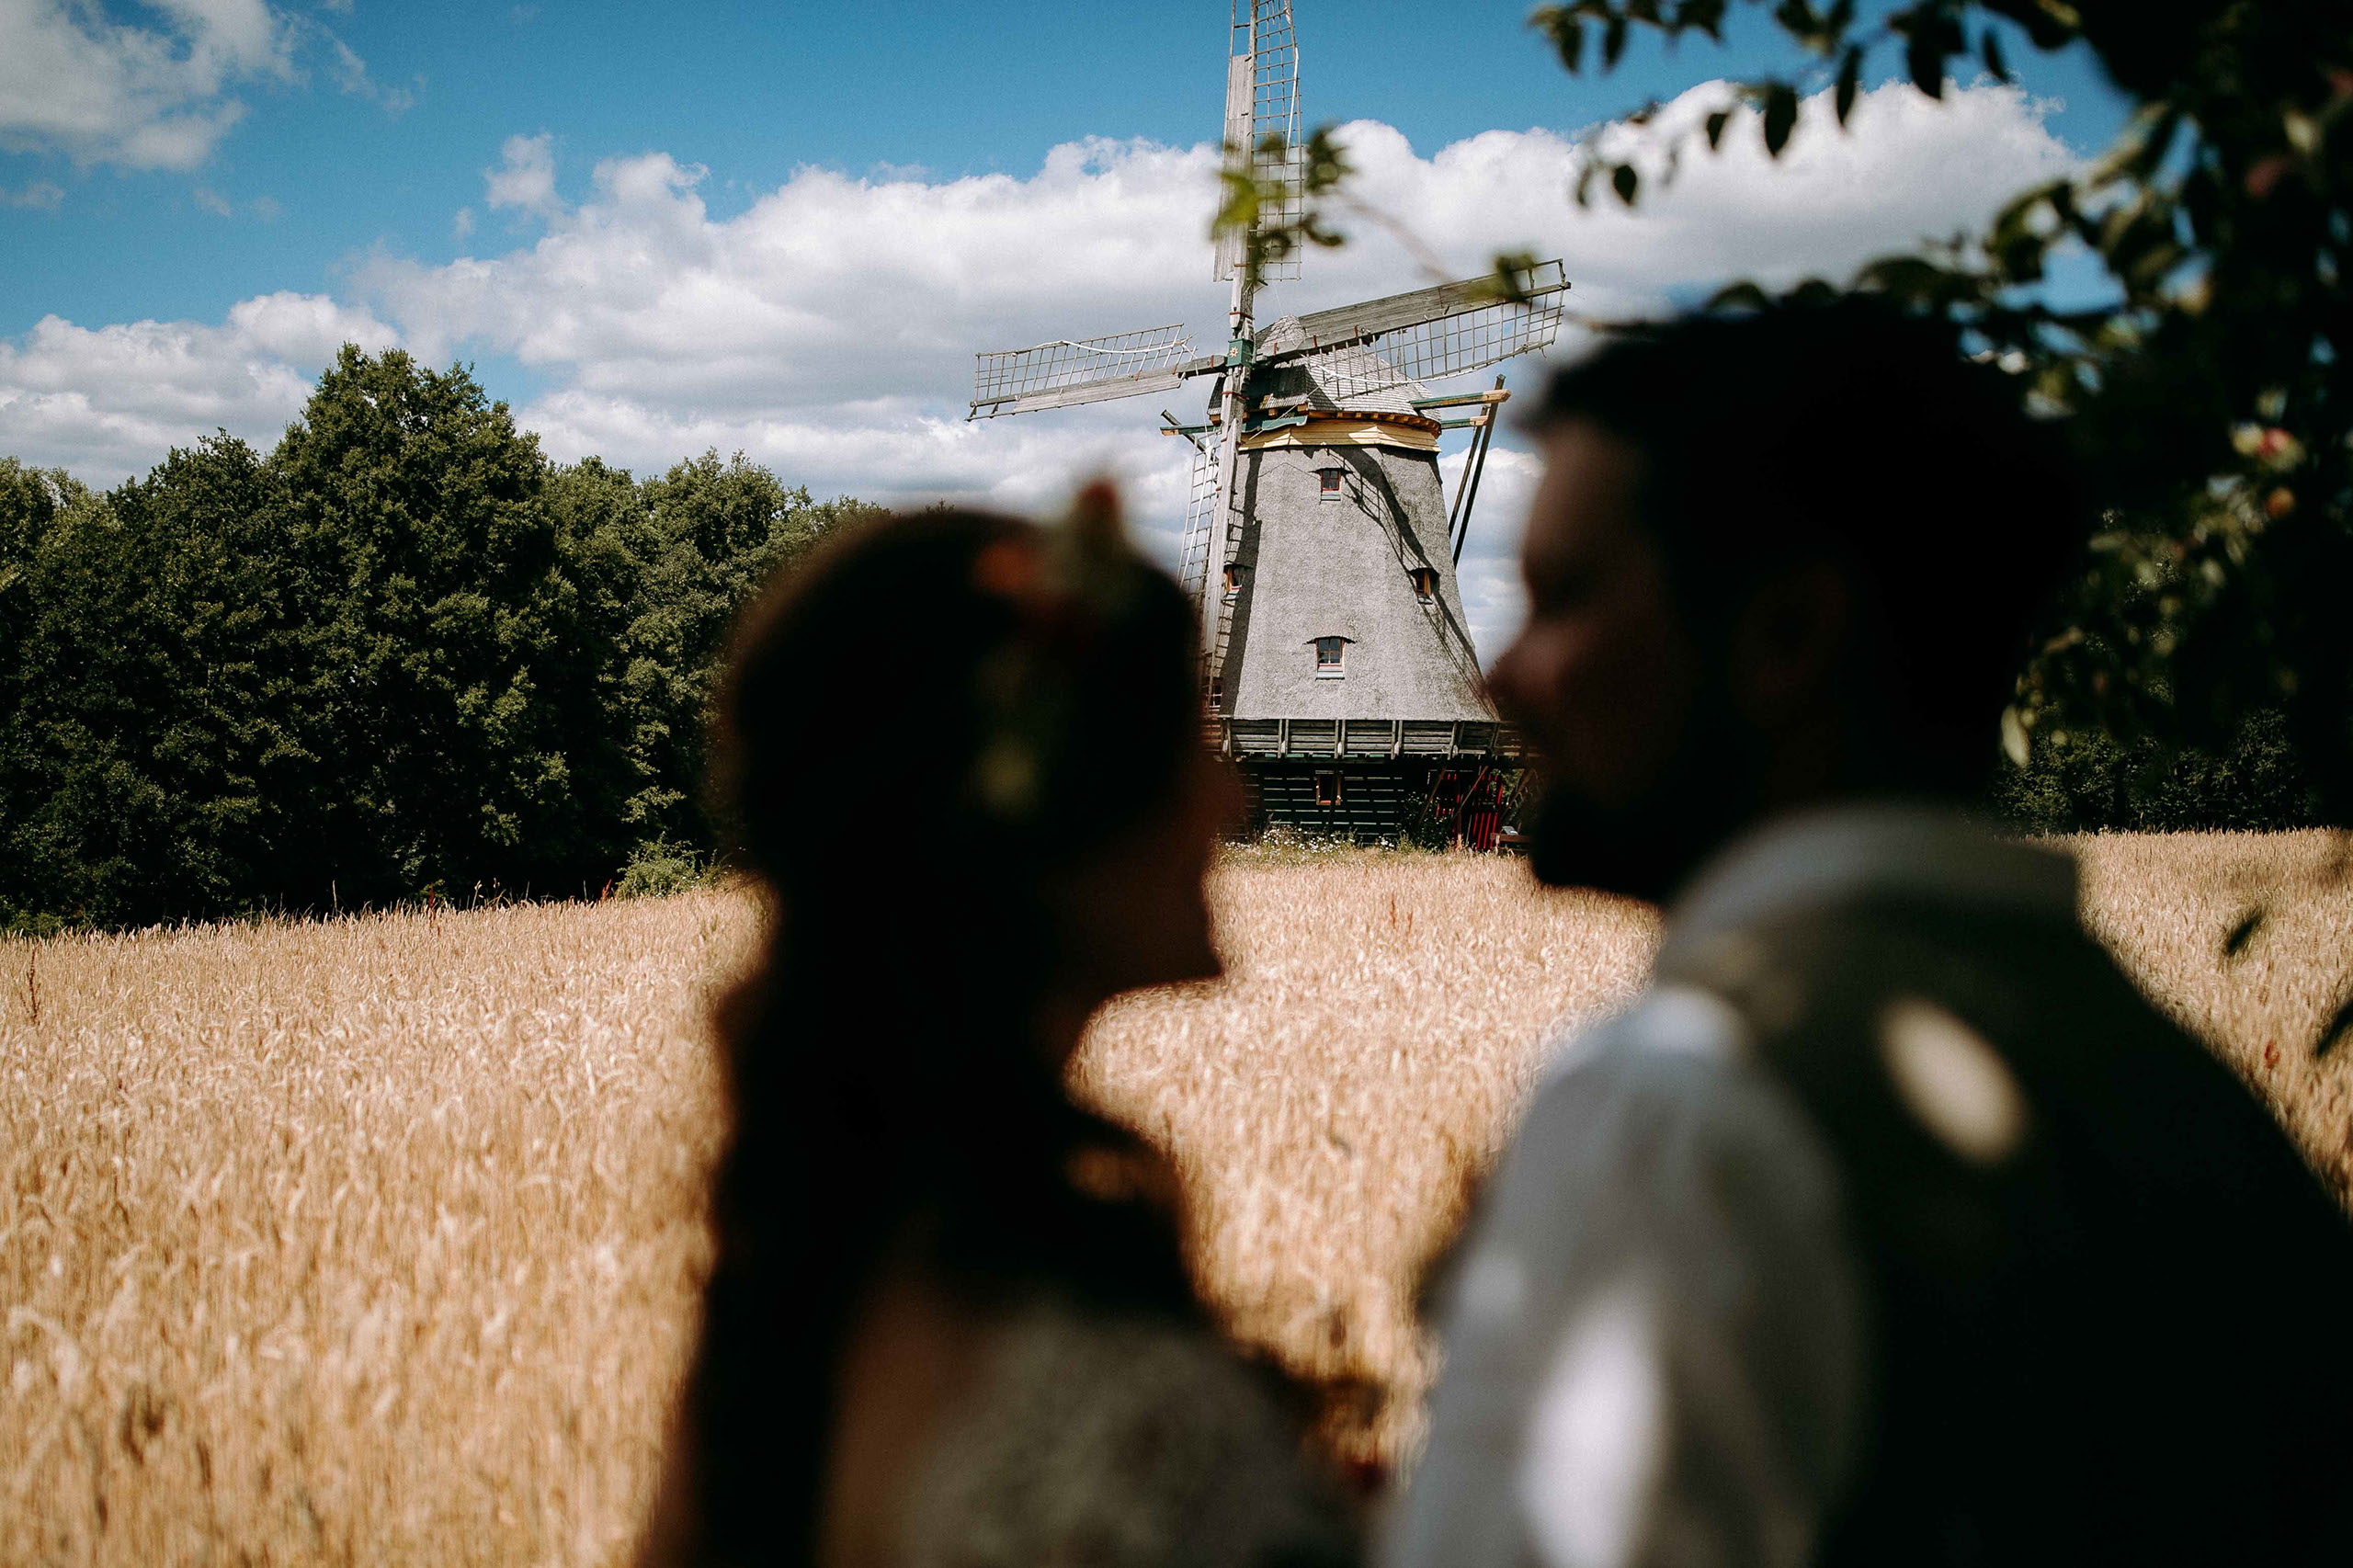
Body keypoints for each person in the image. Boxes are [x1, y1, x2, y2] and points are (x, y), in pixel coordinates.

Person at [1383, 303, 2353, 1568]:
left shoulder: (1685, 1111)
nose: (1497, 676)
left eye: (1563, 597)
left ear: (1786, 637)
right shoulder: (2200, 1107)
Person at [636, 491, 1357, 1568]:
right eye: (1181, 740)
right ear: (1046, 806)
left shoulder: (808, 1296)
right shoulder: (1131, 1427)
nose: (1232, 800)